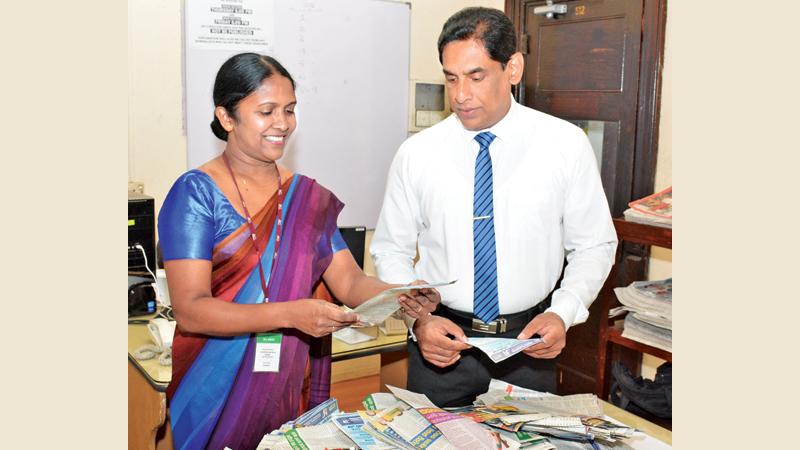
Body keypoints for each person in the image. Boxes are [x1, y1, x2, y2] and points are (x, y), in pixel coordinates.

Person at [158, 53, 439, 450]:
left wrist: (401, 294)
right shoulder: (196, 194)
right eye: (266, 111)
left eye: (289, 110)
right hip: (211, 386)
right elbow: (190, 308)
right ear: (226, 117)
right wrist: (292, 313)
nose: (282, 124)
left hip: (288, 381)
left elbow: (350, 280)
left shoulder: (305, 197)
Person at [370, 7, 618, 407]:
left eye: (476, 76)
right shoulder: (416, 154)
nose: (460, 95)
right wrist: (420, 320)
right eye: (451, 78)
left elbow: (594, 245)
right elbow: (390, 250)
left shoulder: (565, 146)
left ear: (513, 68)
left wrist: (563, 312)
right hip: (442, 346)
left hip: (528, 347)